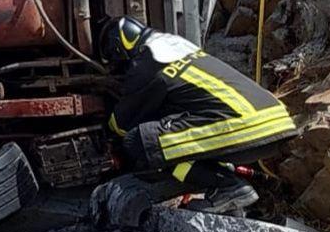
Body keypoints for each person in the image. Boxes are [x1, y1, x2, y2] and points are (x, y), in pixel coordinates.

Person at [94, 15, 295, 216]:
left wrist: (106, 131)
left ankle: (228, 186)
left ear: (118, 49)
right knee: (173, 138)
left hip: (245, 126)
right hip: (275, 119)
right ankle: (230, 198)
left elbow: (122, 123)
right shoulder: (175, 46)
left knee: (142, 141)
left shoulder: (147, 62)